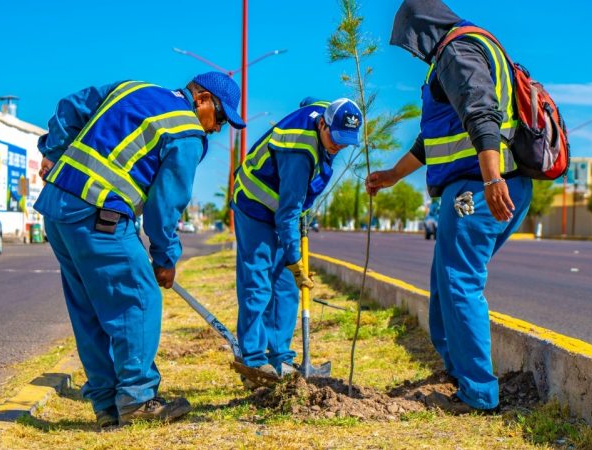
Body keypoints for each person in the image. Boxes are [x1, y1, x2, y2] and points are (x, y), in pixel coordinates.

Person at [35, 72, 246, 427]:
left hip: (57, 209)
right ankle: (137, 397)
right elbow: (165, 209)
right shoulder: (187, 132)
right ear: (203, 99)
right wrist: (165, 259)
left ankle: (105, 405)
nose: (217, 129)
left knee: (89, 309)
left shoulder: (135, 88)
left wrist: (54, 153)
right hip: (97, 214)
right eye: (221, 118)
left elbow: (69, 107)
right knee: (139, 299)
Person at [366, 0, 533, 413]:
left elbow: (480, 112)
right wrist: (392, 175)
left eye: (410, 44)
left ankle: (478, 391)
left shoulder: (456, 51)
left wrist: (492, 178)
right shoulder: (477, 46)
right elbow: (433, 140)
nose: (412, 53)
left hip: (479, 188)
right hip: (485, 185)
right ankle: (459, 373)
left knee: (459, 282)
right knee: (446, 280)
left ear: (422, 31)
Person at [231, 98, 362, 384]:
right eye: (335, 139)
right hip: (254, 205)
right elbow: (288, 211)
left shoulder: (329, 113)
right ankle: (253, 361)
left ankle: (281, 360)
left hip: (281, 210)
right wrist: (294, 259)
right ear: (323, 124)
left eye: (345, 141)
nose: (338, 146)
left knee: (285, 288)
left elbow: (308, 102)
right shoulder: (300, 152)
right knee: (258, 282)